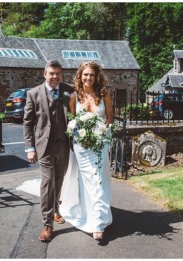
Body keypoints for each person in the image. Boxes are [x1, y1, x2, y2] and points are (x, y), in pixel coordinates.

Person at [59, 61, 114, 241]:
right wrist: (80, 136)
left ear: (96, 76)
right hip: (81, 147)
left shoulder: (104, 95)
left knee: (98, 180)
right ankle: (89, 214)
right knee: (86, 182)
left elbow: (109, 119)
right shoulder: (74, 97)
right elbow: (73, 121)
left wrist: (102, 135)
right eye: (85, 74)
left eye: (91, 74)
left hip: (99, 145)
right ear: (80, 76)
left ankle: (98, 222)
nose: (88, 78)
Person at [23, 60, 75, 242]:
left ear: (62, 74)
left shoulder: (69, 90)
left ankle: (56, 209)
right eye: (51, 73)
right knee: (47, 182)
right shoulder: (33, 93)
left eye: (58, 74)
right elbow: (28, 122)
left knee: (59, 180)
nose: (55, 77)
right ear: (45, 74)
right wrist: (30, 148)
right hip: (44, 146)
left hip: (64, 144)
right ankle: (47, 224)